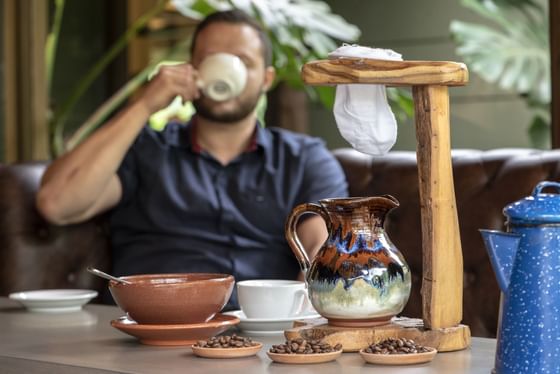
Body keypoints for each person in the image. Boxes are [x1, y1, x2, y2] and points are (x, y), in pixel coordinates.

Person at [36, 10, 348, 308]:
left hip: (255, 334)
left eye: (243, 61)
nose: (226, 69)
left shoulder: (304, 160)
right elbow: (57, 204)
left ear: (266, 79)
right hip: (151, 331)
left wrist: (291, 329)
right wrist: (145, 104)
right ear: (191, 69)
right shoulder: (145, 150)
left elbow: (323, 252)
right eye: (211, 60)